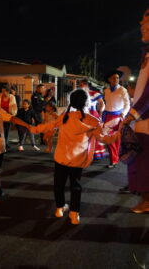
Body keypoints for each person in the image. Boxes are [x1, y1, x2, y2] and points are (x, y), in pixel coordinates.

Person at [28, 89, 120, 224]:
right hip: (78, 158)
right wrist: (119, 134)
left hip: (61, 157)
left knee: (58, 184)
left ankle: (60, 208)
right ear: (86, 102)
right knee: (75, 185)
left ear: (71, 102)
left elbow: (48, 126)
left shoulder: (65, 117)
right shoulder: (93, 120)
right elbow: (104, 139)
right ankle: (74, 214)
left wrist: (33, 129)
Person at [121, 8, 149, 213]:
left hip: (146, 118)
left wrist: (133, 113)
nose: (141, 25)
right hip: (142, 117)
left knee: (145, 159)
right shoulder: (146, 52)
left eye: (146, 22)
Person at [103, 70, 130, 168]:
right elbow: (105, 104)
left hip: (118, 117)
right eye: (114, 77)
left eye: (118, 77)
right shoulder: (106, 90)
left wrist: (123, 113)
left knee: (116, 139)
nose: (116, 79)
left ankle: (114, 160)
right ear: (109, 79)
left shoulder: (123, 90)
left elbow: (127, 104)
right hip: (107, 117)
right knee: (108, 138)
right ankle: (114, 157)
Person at [78, 79, 106, 160]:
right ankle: (83, 152)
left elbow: (101, 103)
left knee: (94, 134)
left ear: (87, 85)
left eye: (81, 85)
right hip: (82, 115)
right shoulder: (79, 94)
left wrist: (100, 113)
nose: (80, 86)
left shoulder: (94, 93)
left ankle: (93, 153)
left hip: (92, 114)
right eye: (79, 85)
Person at [0, 84, 18, 149]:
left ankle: (5, 143)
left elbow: (14, 106)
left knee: (7, 130)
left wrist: (13, 114)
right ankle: (0, 143)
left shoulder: (12, 97)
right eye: (2, 91)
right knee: (0, 130)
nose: (2, 92)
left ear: (8, 91)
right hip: (0, 116)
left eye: (4, 91)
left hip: (8, 116)